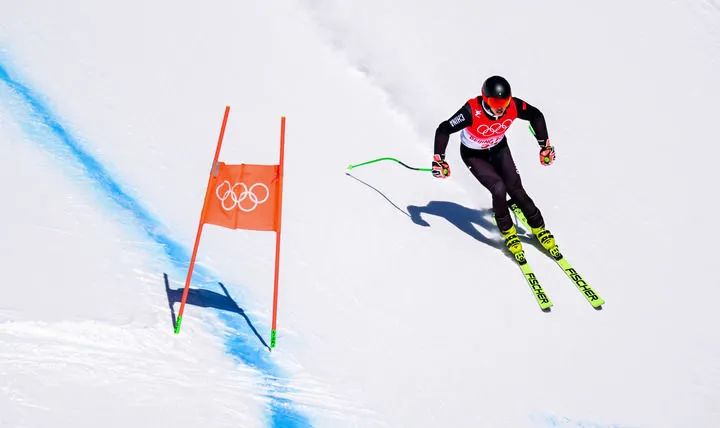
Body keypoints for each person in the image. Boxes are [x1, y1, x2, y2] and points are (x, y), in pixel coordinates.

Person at [432, 75, 557, 259]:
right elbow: (444, 129)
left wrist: (544, 146)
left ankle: (538, 227)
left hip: (499, 148)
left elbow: (536, 115)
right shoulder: (471, 111)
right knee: (499, 188)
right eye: (494, 102)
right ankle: (507, 231)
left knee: (515, 187)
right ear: (484, 98)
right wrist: (439, 159)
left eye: (504, 102)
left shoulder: (513, 106)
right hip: (474, 155)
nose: (500, 108)